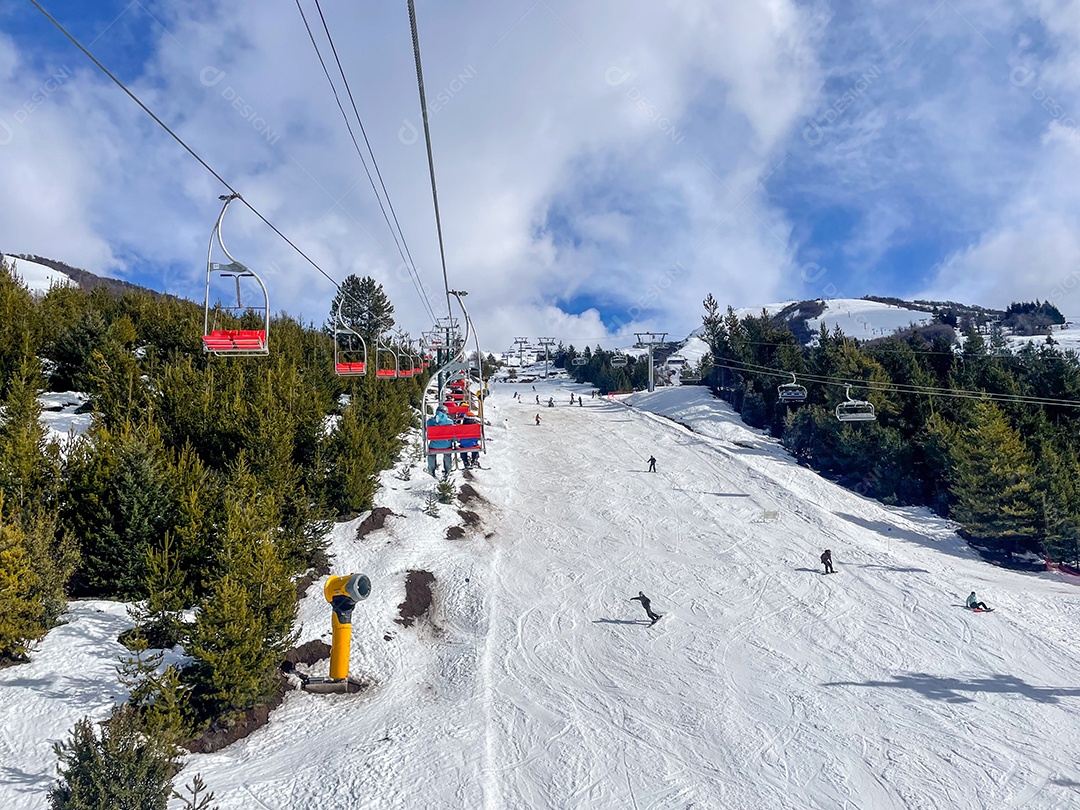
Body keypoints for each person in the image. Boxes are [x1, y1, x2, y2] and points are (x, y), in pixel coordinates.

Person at [426, 405, 455, 477]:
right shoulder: (449, 422)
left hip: (434, 446)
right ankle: (448, 469)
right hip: (447, 445)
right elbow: (453, 434)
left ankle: (431, 469)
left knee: (431, 454)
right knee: (447, 454)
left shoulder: (430, 422)